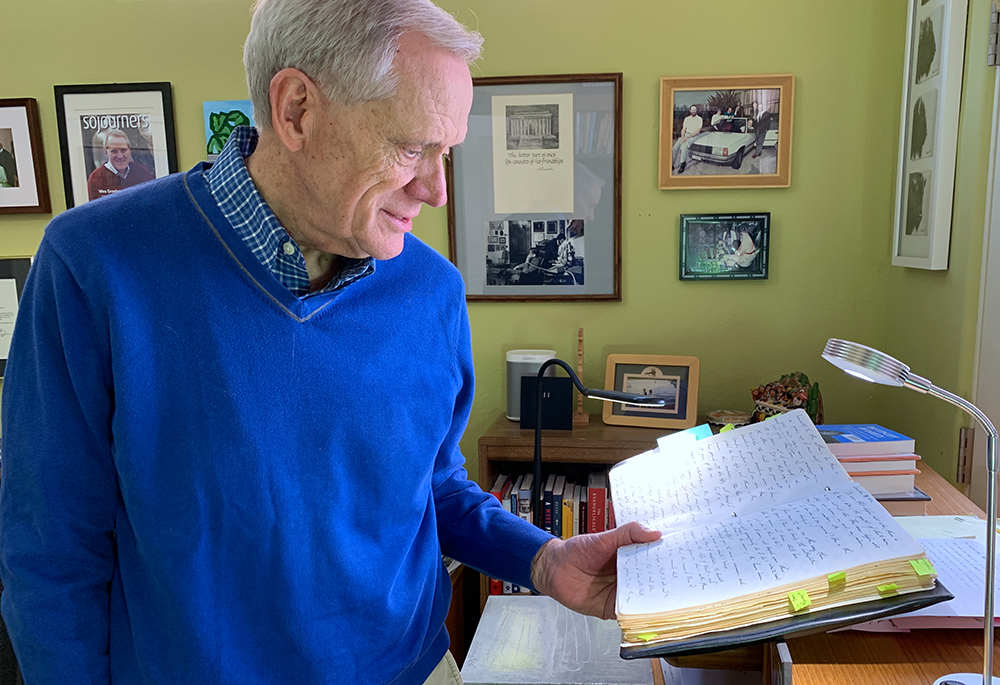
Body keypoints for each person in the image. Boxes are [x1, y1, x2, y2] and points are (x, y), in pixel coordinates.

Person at [0, 1, 660, 683]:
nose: (436, 189)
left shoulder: (431, 289)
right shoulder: (93, 266)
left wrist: (546, 559)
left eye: (447, 152)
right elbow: (50, 555)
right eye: (411, 148)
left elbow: (430, 485)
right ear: (296, 111)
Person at [86, 129, 155, 200]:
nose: (120, 156)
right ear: (106, 152)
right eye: (114, 151)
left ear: (129, 151)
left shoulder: (142, 172)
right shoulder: (95, 179)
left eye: (123, 150)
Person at [671, 104, 704, 174]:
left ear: (696, 111)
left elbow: (697, 131)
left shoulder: (699, 119)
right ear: (690, 110)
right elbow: (683, 129)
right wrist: (682, 137)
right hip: (685, 135)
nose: (693, 111)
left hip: (693, 136)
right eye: (692, 110)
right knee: (674, 148)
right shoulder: (687, 119)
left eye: (695, 110)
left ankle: (682, 164)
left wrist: (687, 138)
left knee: (684, 147)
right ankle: (671, 165)